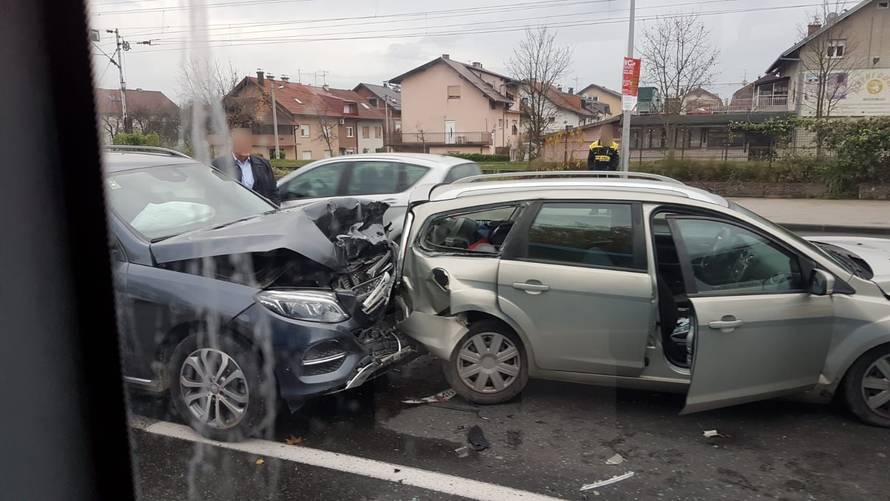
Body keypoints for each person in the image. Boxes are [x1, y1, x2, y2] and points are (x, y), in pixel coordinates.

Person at [212, 129, 280, 205]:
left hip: (261, 212)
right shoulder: (219, 165)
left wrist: (274, 207)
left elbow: (274, 191)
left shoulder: (263, 164)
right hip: (235, 213)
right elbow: (212, 193)